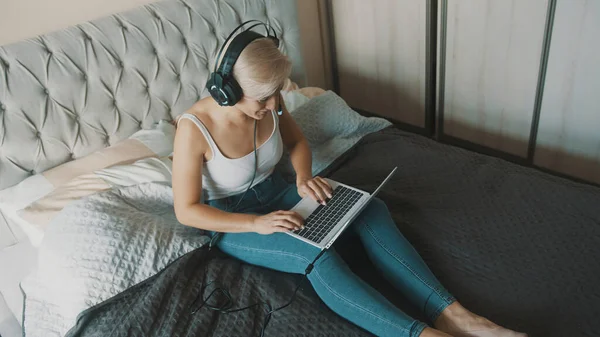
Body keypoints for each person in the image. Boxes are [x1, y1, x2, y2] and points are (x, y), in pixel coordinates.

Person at [172, 29, 527, 337]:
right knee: (315, 254)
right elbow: (186, 211)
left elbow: (296, 143)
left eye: (274, 94)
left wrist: (303, 178)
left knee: (369, 208)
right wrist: (256, 223)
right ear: (227, 91)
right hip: (232, 219)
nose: (271, 104)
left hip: (277, 190)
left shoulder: (272, 100)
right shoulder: (194, 129)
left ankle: (454, 315)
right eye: (262, 98)